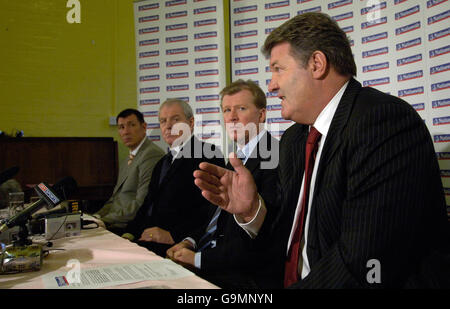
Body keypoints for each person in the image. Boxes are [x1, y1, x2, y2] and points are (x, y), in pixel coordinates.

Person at [193, 12, 450, 288]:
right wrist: (252, 212)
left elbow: (361, 263)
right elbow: (287, 244)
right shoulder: (295, 139)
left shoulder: (383, 122)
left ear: (316, 64)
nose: (271, 85)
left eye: (279, 69)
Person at [167, 79, 282, 288]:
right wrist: (189, 241)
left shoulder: (275, 157)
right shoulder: (234, 159)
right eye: (227, 110)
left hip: (241, 278)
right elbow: (214, 218)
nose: (232, 117)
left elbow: (265, 235)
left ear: (262, 114)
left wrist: (198, 260)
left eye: (241, 108)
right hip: (208, 259)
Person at [121, 99, 224, 257]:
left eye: (175, 120)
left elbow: (211, 209)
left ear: (190, 123)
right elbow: (148, 204)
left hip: (179, 246)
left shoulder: (208, 154)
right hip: (147, 241)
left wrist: (174, 235)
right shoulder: (161, 162)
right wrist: (129, 234)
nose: (168, 126)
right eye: (163, 121)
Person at [94, 109, 164, 235]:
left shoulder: (151, 154)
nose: (126, 131)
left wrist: (104, 220)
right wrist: (96, 217)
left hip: (129, 226)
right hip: (114, 221)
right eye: (121, 127)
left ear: (144, 127)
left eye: (131, 125)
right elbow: (115, 199)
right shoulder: (129, 157)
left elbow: (141, 203)